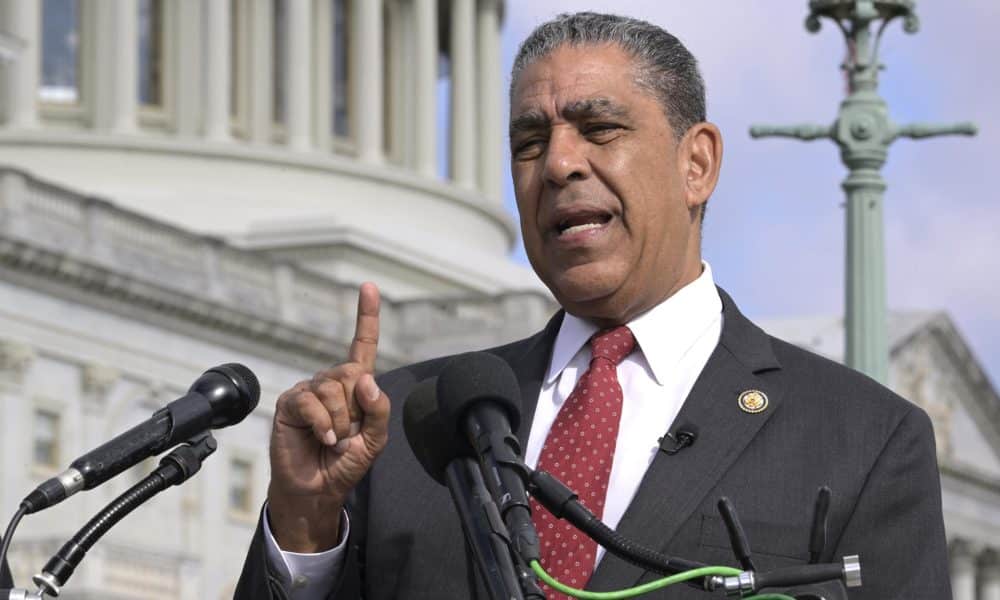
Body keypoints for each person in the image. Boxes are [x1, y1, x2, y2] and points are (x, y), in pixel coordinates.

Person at [235, 12, 950, 600]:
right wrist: (304, 523)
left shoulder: (863, 441)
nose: (558, 164)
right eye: (529, 141)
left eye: (599, 129)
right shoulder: (407, 425)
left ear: (695, 163)